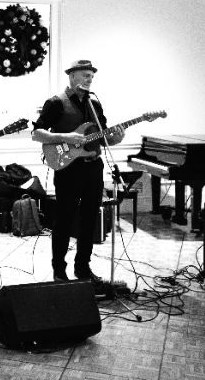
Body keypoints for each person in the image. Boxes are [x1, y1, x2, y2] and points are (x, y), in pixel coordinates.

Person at [31, 59, 124, 283]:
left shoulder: (95, 104)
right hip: (68, 168)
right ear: (72, 76)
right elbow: (36, 134)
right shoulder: (56, 102)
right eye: (85, 75)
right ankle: (59, 270)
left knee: (90, 219)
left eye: (91, 76)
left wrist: (117, 138)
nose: (89, 79)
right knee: (64, 219)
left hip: (93, 166)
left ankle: (83, 268)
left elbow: (104, 137)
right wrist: (66, 137)